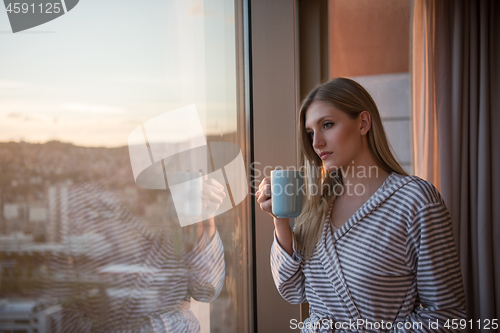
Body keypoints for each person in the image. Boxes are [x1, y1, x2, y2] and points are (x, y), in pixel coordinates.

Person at [256, 78, 466, 332]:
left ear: (363, 123)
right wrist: (280, 220)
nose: (316, 142)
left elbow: (448, 317)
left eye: (327, 125)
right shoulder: (318, 204)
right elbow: (293, 290)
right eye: (311, 133)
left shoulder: (415, 201)